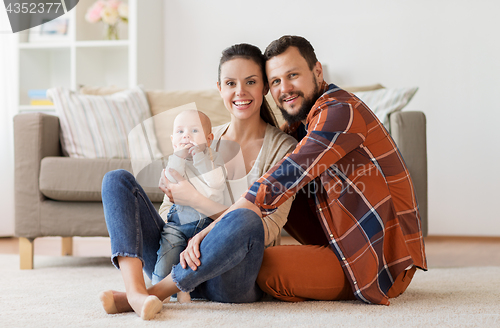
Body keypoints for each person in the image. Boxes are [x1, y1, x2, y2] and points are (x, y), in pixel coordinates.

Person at [181, 35, 428, 306]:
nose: (285, 88)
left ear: (317, 72)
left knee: (262, 267)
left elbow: (284, 177)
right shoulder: (298, 128)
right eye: (275, 81)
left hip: (380, 262)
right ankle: (206, 278)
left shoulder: (340, 111)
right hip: (339, 246)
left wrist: (212, 231)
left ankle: (178, 283)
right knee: (253, 247)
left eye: (293, 75)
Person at [99, 43, 297, 320]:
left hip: (229, 277)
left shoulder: (285, 149)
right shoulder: (198, 134)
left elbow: (266, 230)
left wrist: (195, 201)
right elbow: (169, 209)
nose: (240, 92)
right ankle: (134, 293)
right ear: (220, 88)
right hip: (177, 253)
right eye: (231, 83)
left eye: (250, 82)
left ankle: (155, 292)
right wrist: (182, 233)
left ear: (264, 87)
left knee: (247, 216)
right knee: (116, 180)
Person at [153, 109, 226, 303]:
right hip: (178, 223)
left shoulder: (215, 160)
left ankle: (184, 290)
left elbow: (215, 185)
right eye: (180, 132)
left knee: (194, 261)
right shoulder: (174, 160)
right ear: (172, 140)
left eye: (194, 131)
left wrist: (200, 156)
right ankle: (157, 291)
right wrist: (179, 156)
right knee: (167, 254)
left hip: (205, 224)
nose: (186, 136)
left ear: (209, 139)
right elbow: (171, 183)